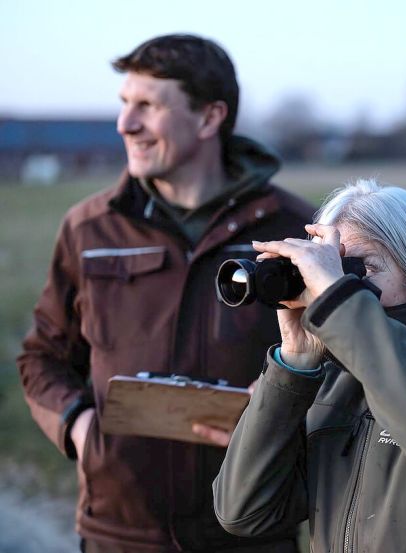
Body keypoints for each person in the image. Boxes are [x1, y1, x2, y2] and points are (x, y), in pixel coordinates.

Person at [17, 34, 313, 552]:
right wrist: (80, 430)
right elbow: (42, 357)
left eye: (148, 106)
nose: (124, 124)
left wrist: (283, 416)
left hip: (252, 534)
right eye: (124, 104)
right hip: (119, 534)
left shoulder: (297, 232)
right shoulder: (89, 229)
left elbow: (345, 370)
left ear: (209, 118)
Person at [212, 179, 406, 552]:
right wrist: (294, 365)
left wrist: (341, 305)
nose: (333, 288)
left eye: (358, 268)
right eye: (329, 271)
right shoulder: (335, 382)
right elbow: (244, 511)